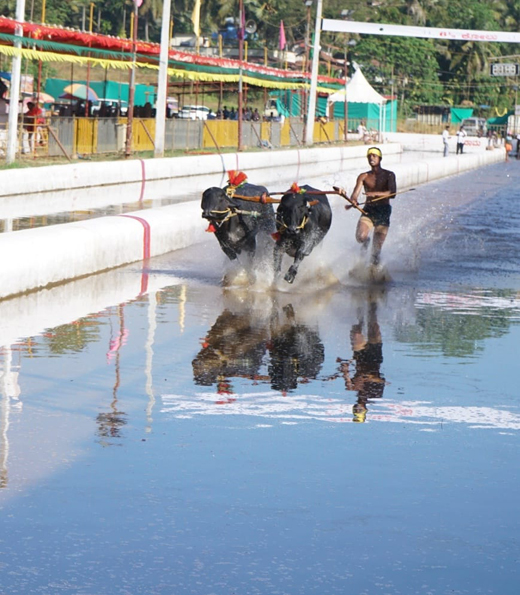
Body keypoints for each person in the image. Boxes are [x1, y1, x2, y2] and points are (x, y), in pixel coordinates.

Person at [335, 146, 396, 266]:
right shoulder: (363, 176)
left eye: (374, 156)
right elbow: (355, 194)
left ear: (380, 158)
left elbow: (392, 194)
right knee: (360, 237)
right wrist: (353, 200)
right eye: (369, 156)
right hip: (368, 211)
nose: (371, 158)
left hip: (383, 212)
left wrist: (374, 194)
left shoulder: (389, 175)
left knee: (376, 253)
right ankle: (366, 242)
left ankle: (374, 276)